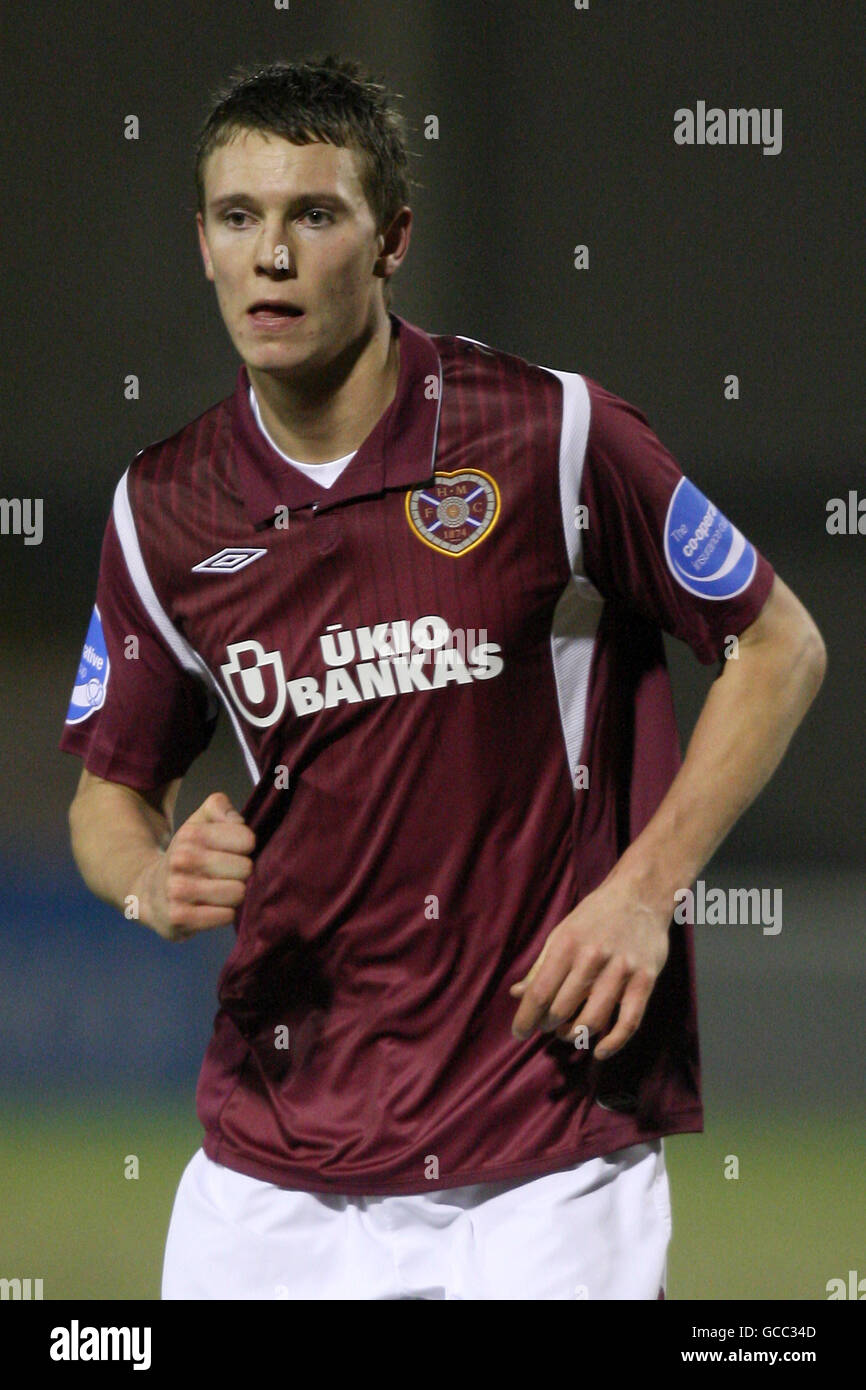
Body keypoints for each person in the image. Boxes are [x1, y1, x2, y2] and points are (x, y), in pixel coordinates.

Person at [60, 54, 826, 1300]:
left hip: (542, 1156)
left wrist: (642, 889)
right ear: (200, 242)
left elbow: (777, 645)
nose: (272, 256)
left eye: (314, 214)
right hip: (273, 1167)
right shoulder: (162, 509)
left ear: (391, 237)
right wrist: (151, 876)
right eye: (238, 217)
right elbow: (107, 796)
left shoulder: (550, 436)